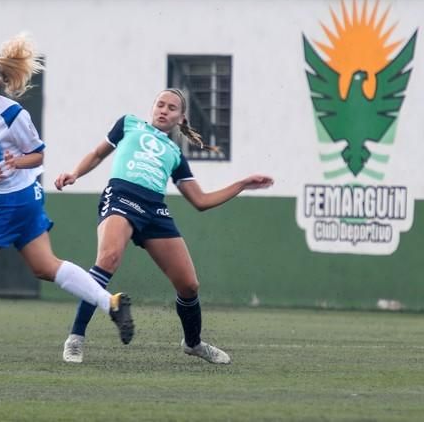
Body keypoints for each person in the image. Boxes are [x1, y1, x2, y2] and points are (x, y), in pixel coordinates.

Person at [0, 34, 134, 352]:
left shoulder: (12, 114)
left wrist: (15, 161)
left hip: (14, 198)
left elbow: (39, 155)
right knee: (44, 266)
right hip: (18, 198)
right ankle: (110, 302)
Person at [55, 88, 274, 364]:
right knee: (108, 259)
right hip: (122, 196)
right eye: (160, 104)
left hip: (154, 210)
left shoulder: (175, 154)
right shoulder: (129, 124)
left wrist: (242, 184)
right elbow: (98, 154)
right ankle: (76, 338)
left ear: (181, 119)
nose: (163, 110)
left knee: (189, 285)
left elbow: (201, 200)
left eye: (171, 108)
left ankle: (193, 344)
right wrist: (75, 173)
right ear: (152, 107)